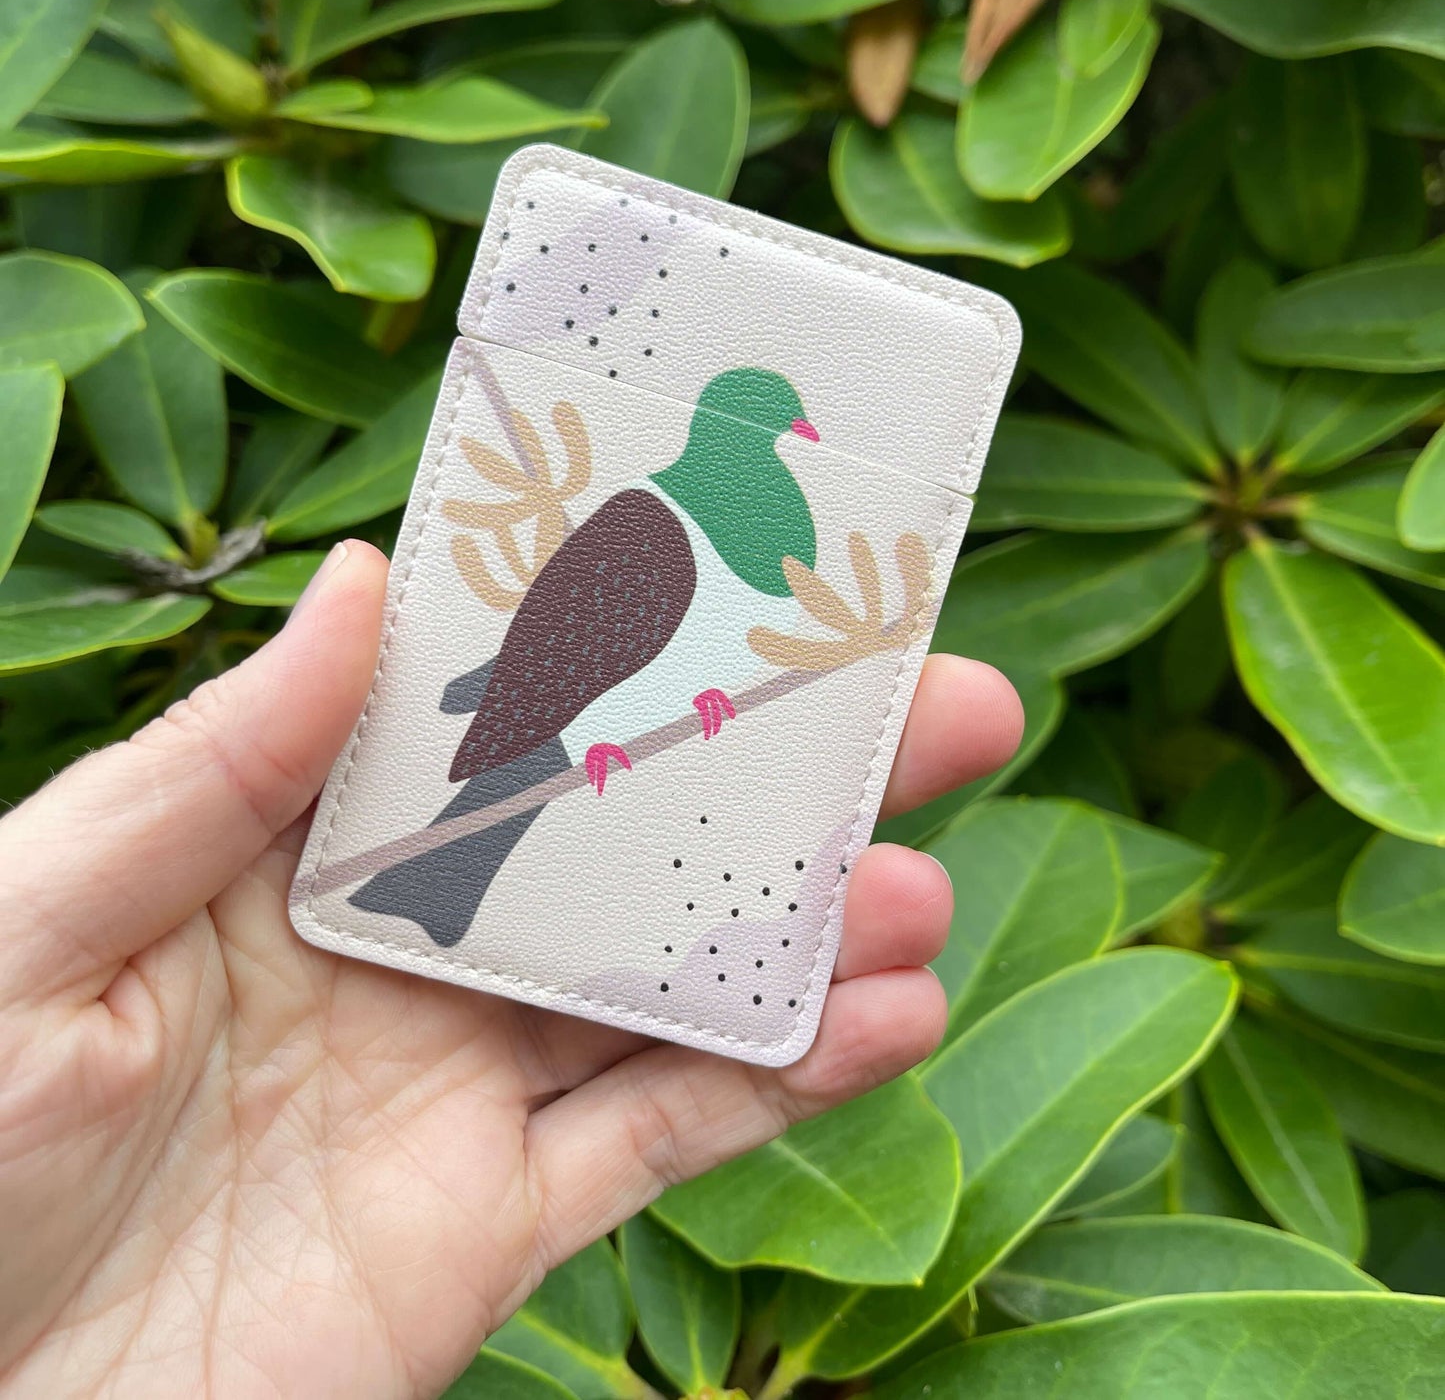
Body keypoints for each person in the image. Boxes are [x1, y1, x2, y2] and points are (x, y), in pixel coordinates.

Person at [0, 540, 1022, 1397]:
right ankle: (432, 882)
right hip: (568, 728)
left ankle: (437, 882)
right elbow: (593, 647)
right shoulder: (648, 527)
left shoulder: (770, 531)